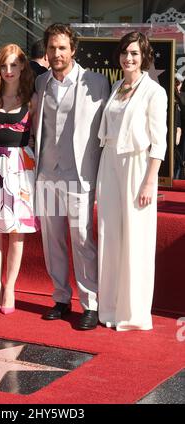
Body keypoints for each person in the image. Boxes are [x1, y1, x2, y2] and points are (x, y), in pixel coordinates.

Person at [34, 23, 109, 330]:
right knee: (52, 241)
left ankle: (90, 302)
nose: (57, 53)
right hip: (48, 174)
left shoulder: (96, 82)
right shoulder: (40, 83)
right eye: (52, 48)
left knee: (81, 238)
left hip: (79, 175)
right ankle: (61, 298)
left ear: (73, 50)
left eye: (62, 47)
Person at [97, 31, 167, 331]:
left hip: (138, 168)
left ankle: (134, 313)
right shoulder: (116, 86)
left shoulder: (154, 92)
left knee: (135, 241)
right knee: (109, 237)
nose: (129, 58)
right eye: (125, 52)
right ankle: (110, 308)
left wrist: (150, 181)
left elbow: (159, 142)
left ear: (144, 57)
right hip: (110, 164)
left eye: (135, 53)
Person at [0, 44, 39, 314]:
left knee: (17, 232)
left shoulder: (32, 99)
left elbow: (38, 137)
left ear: (23, 66)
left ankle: (10, 287)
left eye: (14, 65)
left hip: (21, 168)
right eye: (4, 65)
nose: (9, 70)